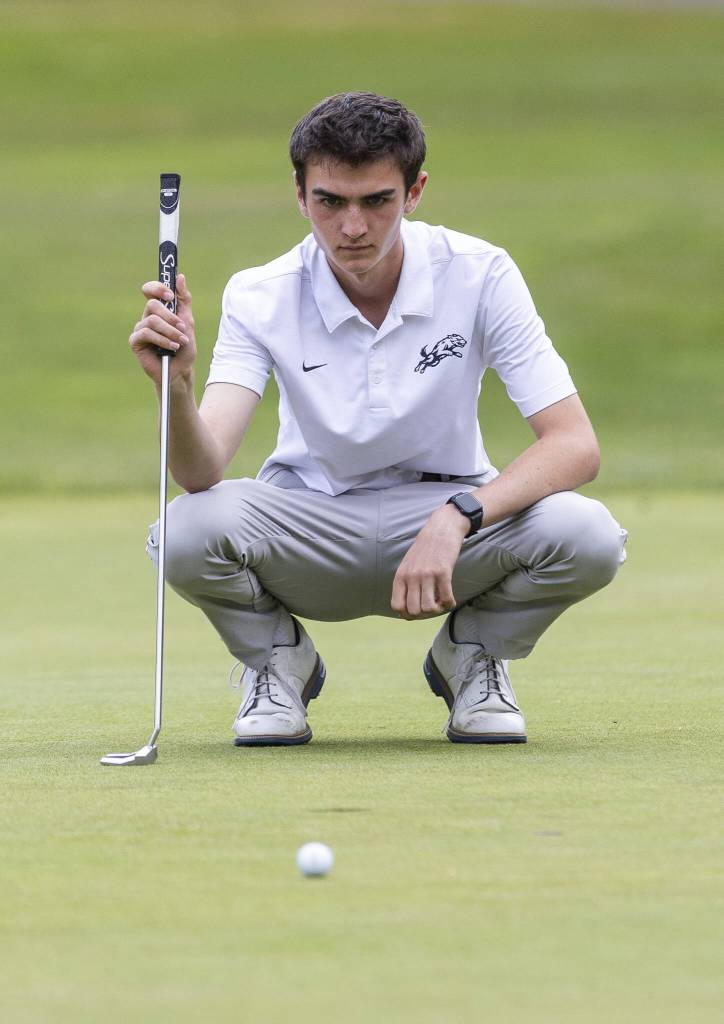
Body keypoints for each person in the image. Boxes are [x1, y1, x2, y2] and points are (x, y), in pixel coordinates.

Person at [130, 92, 627, 748]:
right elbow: (201, 470)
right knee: (185, 529)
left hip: (450, 522)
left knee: (588, 534)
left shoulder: (480, 274)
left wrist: (459, 515)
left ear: (415, 191)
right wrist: (179, 384)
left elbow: (574, 444)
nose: (353, 228)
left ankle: (473, 653)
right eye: (331, 201)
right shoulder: (261, 292)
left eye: (376, 201)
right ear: (300, 195)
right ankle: (278, 662)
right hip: (310, 522)